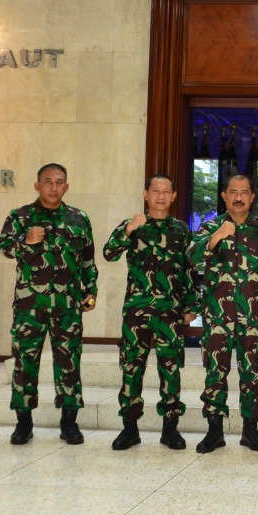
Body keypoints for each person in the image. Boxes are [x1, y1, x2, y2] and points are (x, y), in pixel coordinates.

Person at [0, 163, 97, 446]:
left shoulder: (79, 219)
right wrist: (24, 239)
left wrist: (91, 292)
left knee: (69, 364)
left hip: (67, 307)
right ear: (37, 185)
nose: (54, 187)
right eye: (48, 182)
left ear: (66, 186)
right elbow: (4, 247)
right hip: (30, 306)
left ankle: (69, 423)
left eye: (59, 182)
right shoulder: (20, 216)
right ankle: (23, 423)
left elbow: (88, 261)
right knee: (25, 363)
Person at [103, 173, 197, 452]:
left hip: (170, 313)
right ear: (146, 194)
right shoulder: (133, 225)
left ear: (174, 196)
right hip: (137, 313)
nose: (160, 196)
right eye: (155, 190)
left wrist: (191, 307)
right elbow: (109, 253)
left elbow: (188, 271)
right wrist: (128, 230)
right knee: (132, 368)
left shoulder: (181, 230)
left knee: (171, 370)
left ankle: (170, 429)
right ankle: (129, 429)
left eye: (166, 191)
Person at [191, 173, 258, 454]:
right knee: (215, 371)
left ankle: (250, 431)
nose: (239, 196)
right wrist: (215, 238)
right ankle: (214, 431)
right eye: (233, 192)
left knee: (250, 371)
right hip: (217, 315)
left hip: (252, 315)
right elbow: (190, 260)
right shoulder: (209, 226)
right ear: (224, 196)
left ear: (252, 197)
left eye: (244, 192)